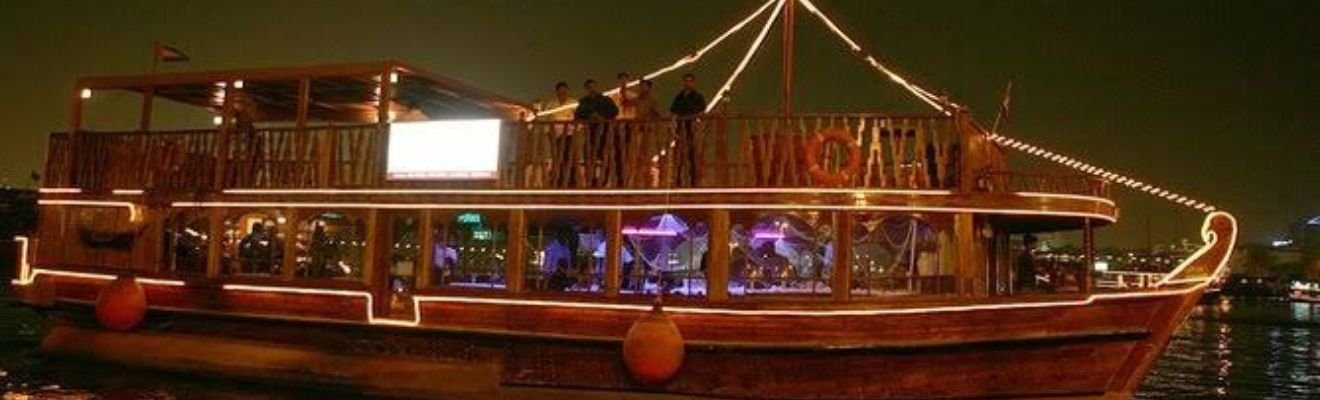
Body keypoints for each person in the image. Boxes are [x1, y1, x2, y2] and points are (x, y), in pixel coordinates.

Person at [573, 79, 619, 186]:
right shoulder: (584, 102)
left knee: (604, 157)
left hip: (604, 132)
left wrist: (601, 117)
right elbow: (577, 115)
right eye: (589, 87)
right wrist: (589, 117)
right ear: (587, 89)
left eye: (592, 87)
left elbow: (614, 112)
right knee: (589, 157)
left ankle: (603, 181)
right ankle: (592, 180)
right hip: (590, 133)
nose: (591, 89)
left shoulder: (605, 100)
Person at [669, 73, 706, 186]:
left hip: (692, 128)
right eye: (686, 81)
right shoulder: (679, 96)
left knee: (693, 155)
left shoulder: (698, 96)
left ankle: (694, 180)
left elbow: (701, 112)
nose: (688, 83)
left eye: (690, 81)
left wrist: (698, 126)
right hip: (681, 129)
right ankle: (678, 180)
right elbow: (673, 112)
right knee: (679, 155)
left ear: (693, 82)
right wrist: (673, 128)